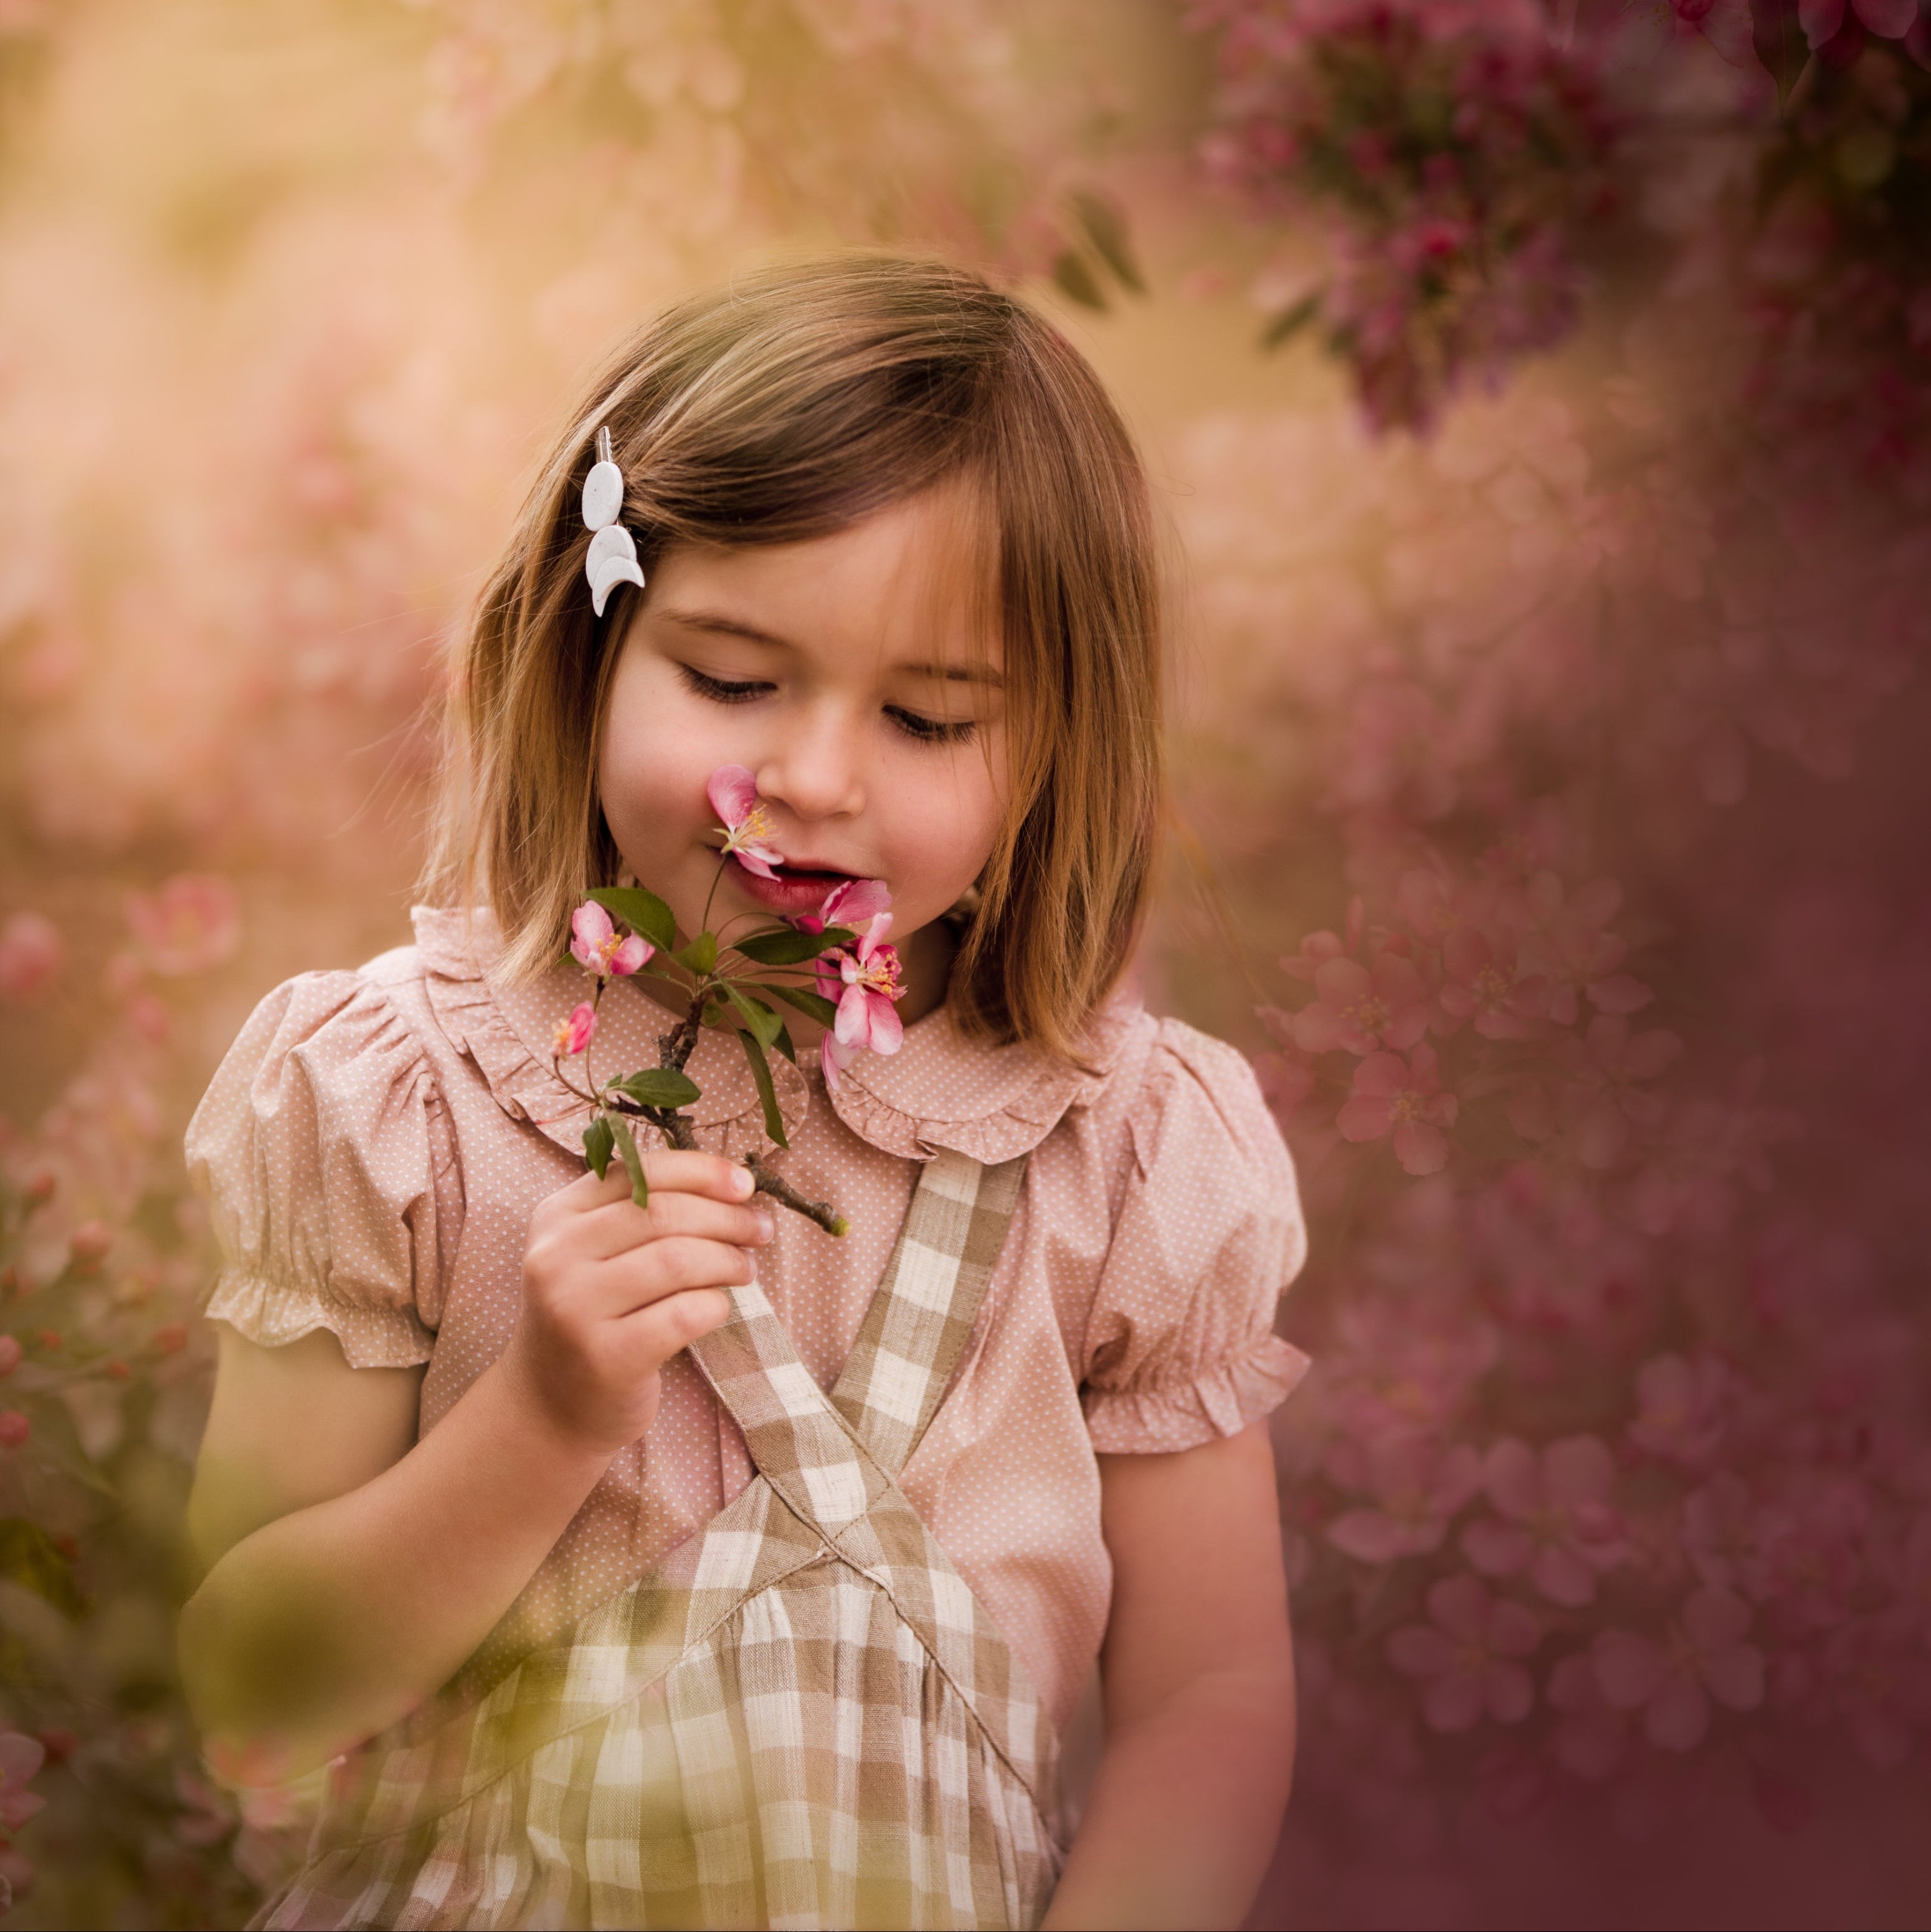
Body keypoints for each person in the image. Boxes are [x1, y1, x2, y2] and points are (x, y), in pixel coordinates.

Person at [177, 255, 1310, 1931]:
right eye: (727, 682)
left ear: (1055, 756)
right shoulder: (408, 1094)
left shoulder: (1120, 1154)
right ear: (589, 651)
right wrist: (542, 1421)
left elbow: (1206, 1701)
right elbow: (254, 1693)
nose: (813, 778)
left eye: (929, 718)